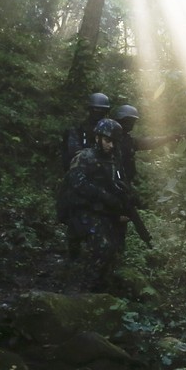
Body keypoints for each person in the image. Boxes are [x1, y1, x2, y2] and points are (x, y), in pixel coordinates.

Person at [56, 117, 132, 292]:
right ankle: (85, 288)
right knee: (103, 246)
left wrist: (124, 201)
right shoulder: (84, 157)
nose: (110, 145)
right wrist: (105, 197)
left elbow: (120, 184)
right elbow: (77, 184)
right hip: (80, 209)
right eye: (107, 140)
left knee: (115, 247)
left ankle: (102, 283)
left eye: (114, 142)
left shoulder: (113, 161)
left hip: (101, 210)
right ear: (97, 138)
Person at [111, 103, 185, 187]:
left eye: (131, 122)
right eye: (127, 121)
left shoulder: (129, 141)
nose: (129, 124)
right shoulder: (108, 139)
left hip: (125, 181)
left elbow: (149, 142)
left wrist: (168, 138)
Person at [62, 92, 114, 170]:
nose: (98, 113)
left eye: (102, 110)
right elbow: (74, 154)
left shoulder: (110, 130)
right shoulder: (78, 129)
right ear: (90, 110)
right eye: (96, 109)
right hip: (82, 172)